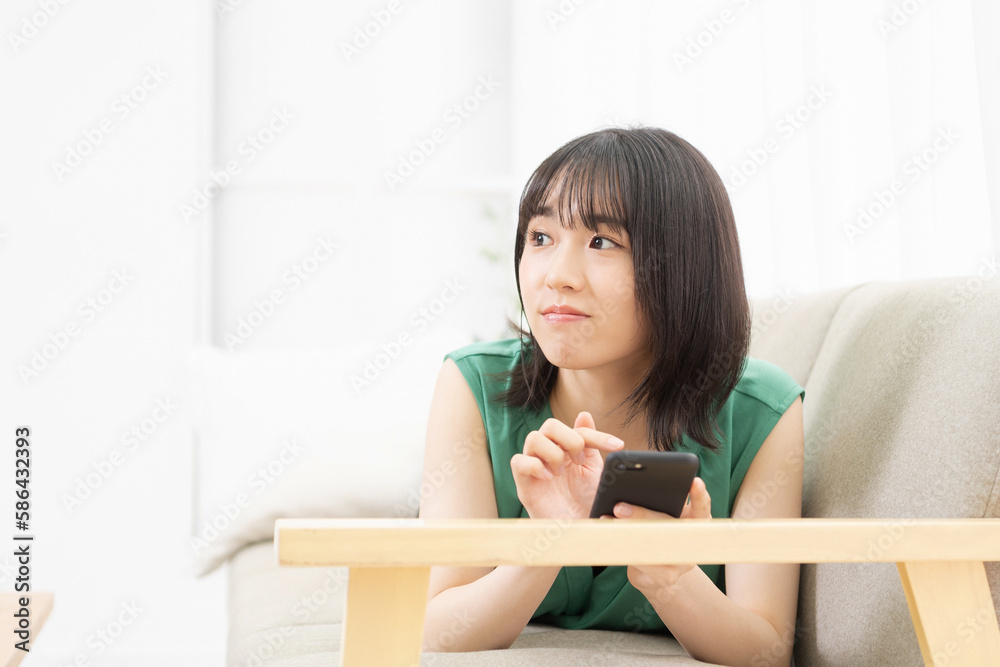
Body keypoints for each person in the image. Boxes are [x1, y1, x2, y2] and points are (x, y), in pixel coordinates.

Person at [419, 126, 805, 666]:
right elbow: (437, 632)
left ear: (683, 266)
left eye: (602, 242)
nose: (557, 276)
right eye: (540, 237)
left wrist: (672, 577)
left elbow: (765, 652)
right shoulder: (474, 383)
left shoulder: (762, 412)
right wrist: (549, 541)